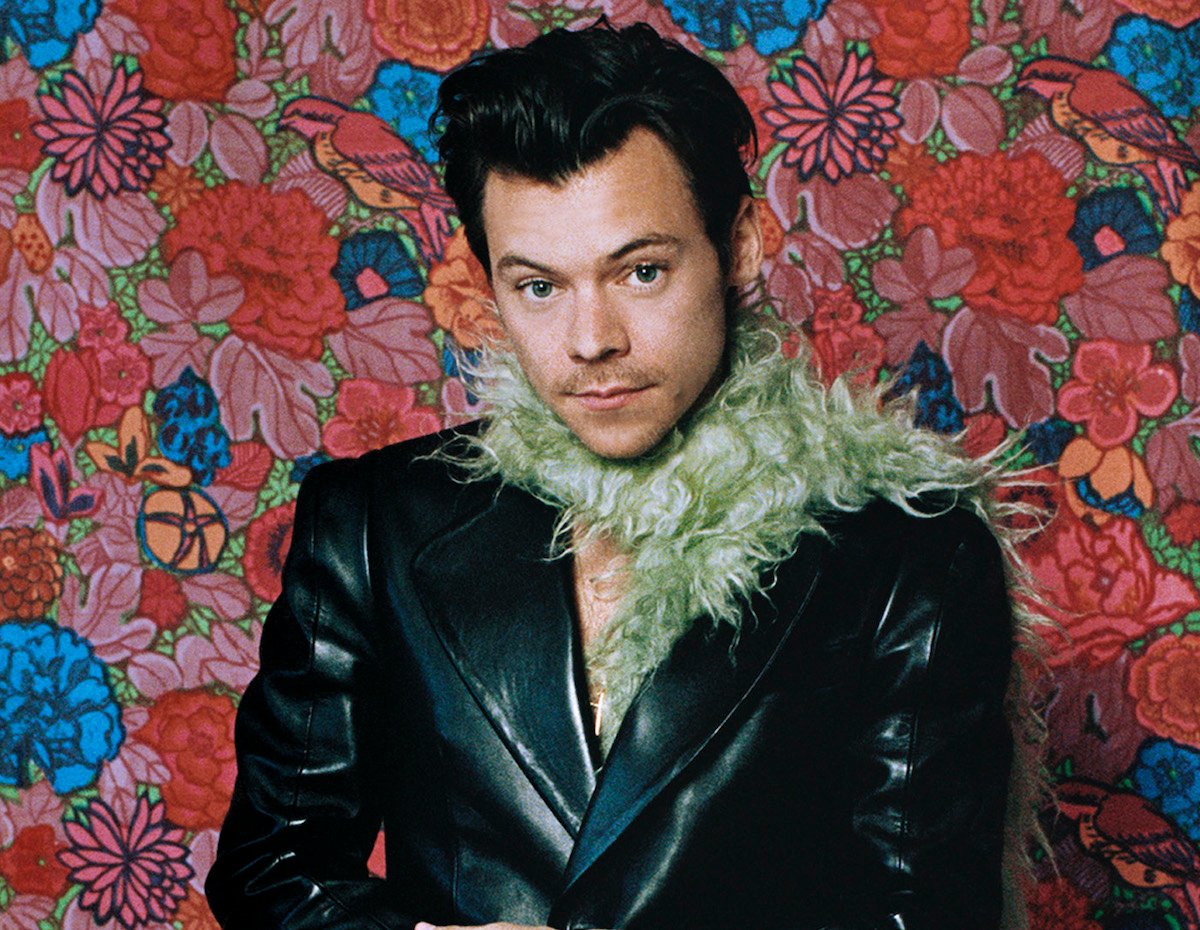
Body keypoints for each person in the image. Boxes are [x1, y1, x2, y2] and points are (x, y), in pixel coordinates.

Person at [207, 19, 1031, 930]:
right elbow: (273, 869)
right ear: (487, 282)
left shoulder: (907, 552)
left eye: (640, 271)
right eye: (539, 286)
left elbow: (926, 916)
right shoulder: (372, 523)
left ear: (741, 244)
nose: (592, 340)